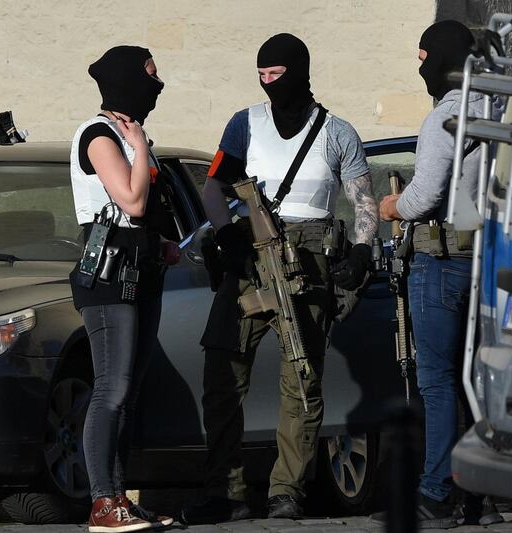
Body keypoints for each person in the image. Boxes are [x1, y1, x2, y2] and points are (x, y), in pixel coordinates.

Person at [180, 33, 378, 524]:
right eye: (262, 75)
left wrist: (360, 249)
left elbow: (363, 201)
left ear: (298, 71)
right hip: (251, 249)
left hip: (308, 255)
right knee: (223, 373)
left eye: (276, 74)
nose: (269, 84)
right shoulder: (245, 123)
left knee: (302, 377)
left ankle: (286, 490)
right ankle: (224, 491)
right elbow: (214, 186)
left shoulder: (337, 132)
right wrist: (227, 236)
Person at [377, 21, 505, 529]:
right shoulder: (496, 110)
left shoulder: (444, 117)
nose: (420, 64)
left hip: (440, 256)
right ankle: (483, 496)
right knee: (477, 381)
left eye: (424, 55)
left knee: (435, 380)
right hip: (485, 259)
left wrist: (391, 206)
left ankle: (435, 489)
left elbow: (424, 196)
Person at [69, 45, 180, 533]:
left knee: (128, 394)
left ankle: (119, 497)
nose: (157, 85)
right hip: (108, 277)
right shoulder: (99, 135)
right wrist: (136, 149)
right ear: (125, 81)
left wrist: (162, 241)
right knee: (109, 391)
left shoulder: (133, 134)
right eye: (150, 76)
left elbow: (143, 217)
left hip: (140, 271)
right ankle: (100, 502)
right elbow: (131, 201)